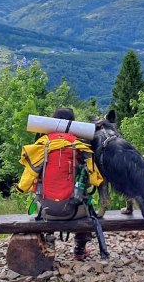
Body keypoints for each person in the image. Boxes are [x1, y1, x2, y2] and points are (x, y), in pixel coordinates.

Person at [17, 107, 104, 260]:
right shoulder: (80, 147)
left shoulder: (41, 145)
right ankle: (79, 249)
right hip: (73, 211)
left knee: (42, 197)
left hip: (46, 211)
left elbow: (24, 184)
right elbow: (93, 181)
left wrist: (23, 188)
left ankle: (49, 241)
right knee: (88, 205)